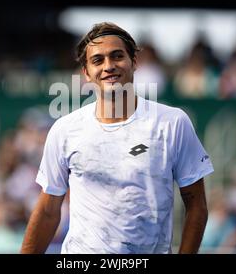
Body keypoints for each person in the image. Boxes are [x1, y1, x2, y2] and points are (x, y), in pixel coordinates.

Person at [20, 22, 214, 254]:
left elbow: (196, 207)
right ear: (86, 73)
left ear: (134, 62)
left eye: (117, 56)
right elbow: (48, 211)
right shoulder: (64, 130)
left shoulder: (173, 123)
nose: (108, 66)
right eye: (98, 60)